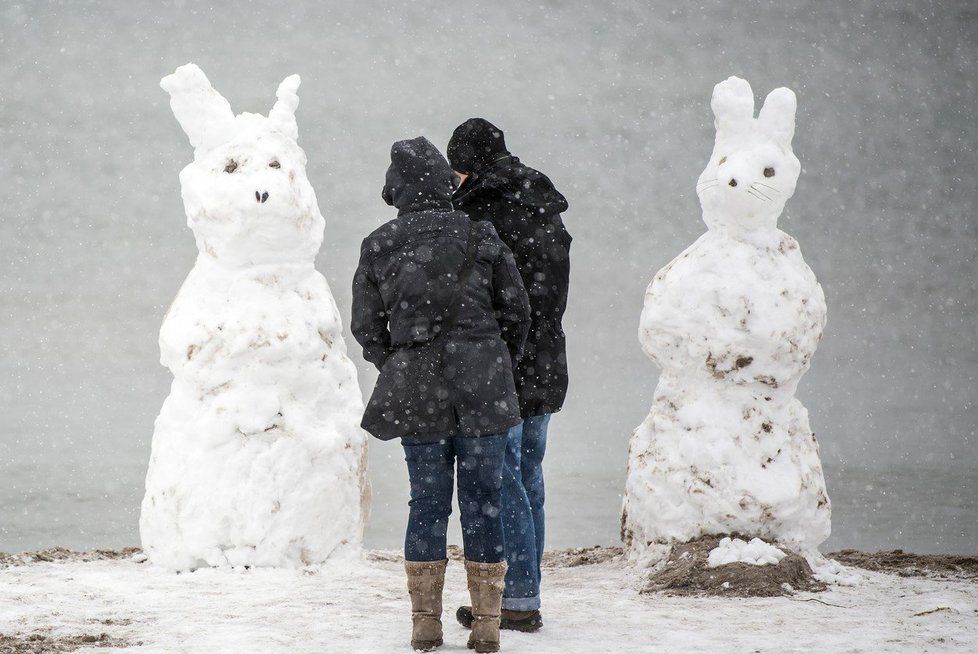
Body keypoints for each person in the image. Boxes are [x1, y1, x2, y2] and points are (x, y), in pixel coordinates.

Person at [352, 136, 531, 653]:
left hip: (418, 386)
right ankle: (488, 625)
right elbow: (516, 314)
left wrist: (400, 360)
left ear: (399, 189)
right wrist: (493, 360)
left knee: (427, 502)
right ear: (444, 185)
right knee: (484, 501)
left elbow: (367, 326)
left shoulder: (380, 242)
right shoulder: (482, 236)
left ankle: (425, 622)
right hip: (484, 385)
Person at [447, 118, 571, 633]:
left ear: (467, 165)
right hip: (546, 357)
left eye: (456, 170)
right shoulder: (542, 202)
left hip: (504, 363)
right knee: (529, 478)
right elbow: (550, 291)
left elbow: (486, 298)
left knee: (502, 482)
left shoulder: (479, 213)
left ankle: (517, 599)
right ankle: (527, 586)